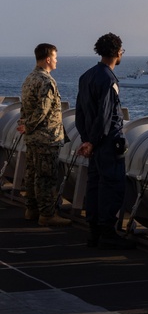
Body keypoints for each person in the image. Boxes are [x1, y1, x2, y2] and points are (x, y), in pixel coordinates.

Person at [76, 32, 133, 249]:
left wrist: (86, 140)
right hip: (108, 143)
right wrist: (94, 141)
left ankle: (93, 232)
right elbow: (106, 115)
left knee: (94, 186)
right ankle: (108, 232)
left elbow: (80, 112)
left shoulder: (86, 76)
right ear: (117, 52)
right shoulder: (109, 79)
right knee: (112, 186)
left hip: (93, 142)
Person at [18, 43, 70, 227]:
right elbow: (43, 111)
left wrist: (24, 125)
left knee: (32, 174)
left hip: (33, 138)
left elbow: (25, 107)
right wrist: (30, 126)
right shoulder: (47, 81)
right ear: (48, 59)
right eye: (55, 57)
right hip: (46, 138)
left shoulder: (30, 78)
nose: (57, 61)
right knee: (46, 177)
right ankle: (47, 214)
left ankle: (31, 210)